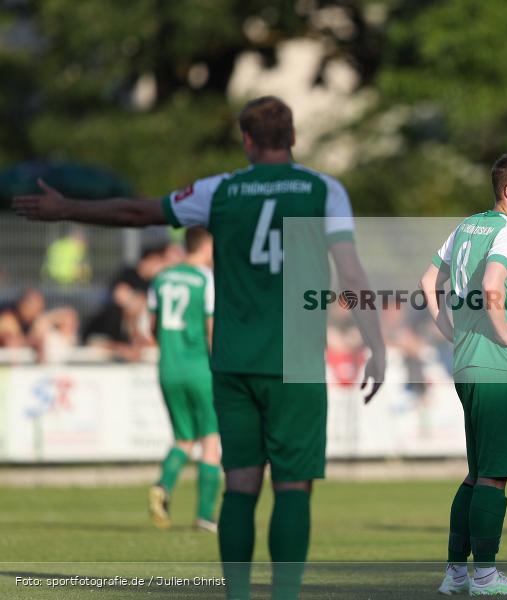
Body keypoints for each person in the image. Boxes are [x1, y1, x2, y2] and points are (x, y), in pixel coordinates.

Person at [13, 95, 386, 600]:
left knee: (240, 484)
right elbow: (352, 270)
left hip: (232, 361)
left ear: (247, 140)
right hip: (295, 359)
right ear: (293, 138)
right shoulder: (325, 190)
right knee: (293, 486)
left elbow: (136, 211)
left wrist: (66, 208)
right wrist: (375, 343)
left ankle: (236, 594)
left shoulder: (220, 190)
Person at [419, 153, 507, 596]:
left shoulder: (468, 225)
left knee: (476, 473)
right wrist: (505, 332)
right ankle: (487, 578)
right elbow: (493, 285)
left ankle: (455, 575)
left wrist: (447, 329)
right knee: (494, 474)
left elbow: (426, 282)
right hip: (497, 365)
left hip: (466, 362)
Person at [146, 227, 220, 533]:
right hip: (199, 367)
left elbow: (151, 325)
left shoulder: (161, 278)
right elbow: (211, 326)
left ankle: (163, 486)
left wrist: (168, 345)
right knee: (211, 441)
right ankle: (204, 516)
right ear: (205, 246)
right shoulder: (206, 278)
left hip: (167, 367)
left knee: (183, 439)